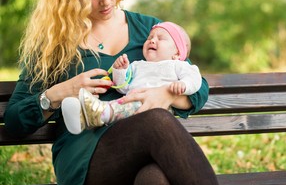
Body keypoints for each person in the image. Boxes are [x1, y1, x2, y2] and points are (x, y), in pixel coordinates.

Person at [4, 0, 221, 185]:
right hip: (88, 161)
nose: (106, 0)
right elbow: (15, 120)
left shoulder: (148, 31)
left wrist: (167, 95)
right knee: (156, 122)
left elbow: (199, 86)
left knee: (154, 182)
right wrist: (61, 92)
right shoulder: (54, 43)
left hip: (143, 153)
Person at [62, 21, 202, 134]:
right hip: (130, 108)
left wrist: (184, 85)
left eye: (161, 38)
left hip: (155, 109)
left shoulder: (177, 65)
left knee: (122, 106)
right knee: (123, 102)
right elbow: (123, 88)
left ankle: (98, 114)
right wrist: (120, 71)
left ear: (177, 53)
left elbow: (195, 79)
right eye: (150, 37)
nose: (152, 40)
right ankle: (82, 116)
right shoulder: (137, 65)